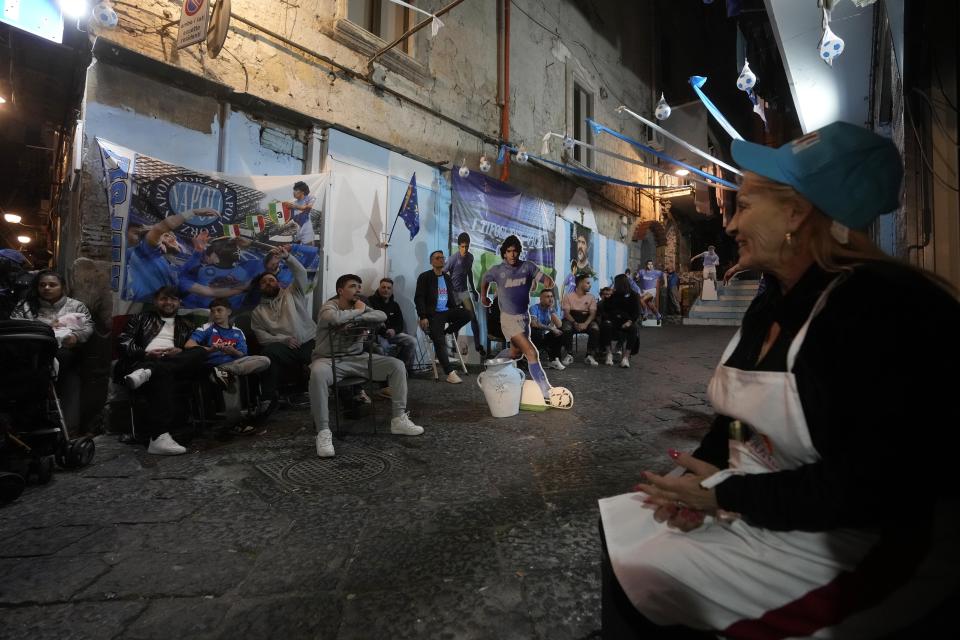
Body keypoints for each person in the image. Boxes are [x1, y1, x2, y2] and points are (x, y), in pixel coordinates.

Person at [598, 121, 960, 638]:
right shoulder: (774, 297)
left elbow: (872, 485)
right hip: (778, 502)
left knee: (650, 575)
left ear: (796, 213)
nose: (729, 227)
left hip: (875, 544)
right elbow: (735, 421)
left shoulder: (880, 308)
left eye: (742, 207)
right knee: (625, 528)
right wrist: (701, 471)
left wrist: (726, 495)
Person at [310, 273, 424, 458]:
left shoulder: (360, 305)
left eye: (359, 287)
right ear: (341, 290)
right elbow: (334, 318)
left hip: (357, 358)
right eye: (353, 286)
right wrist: (359, 312)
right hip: (329, 360)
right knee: (316, 373)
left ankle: (398, 419)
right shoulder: (329, 306)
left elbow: (381, 315)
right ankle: (323, 432)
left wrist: (357, 317)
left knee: (396, 366)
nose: (358, 290)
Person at [116, 287, 209, 455]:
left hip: (171, 366)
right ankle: (159, 438)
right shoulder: (140, 318)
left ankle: (150, 371)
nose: (168, 302)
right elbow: (123, 342)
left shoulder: (187, 324)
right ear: (155, 301)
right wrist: (146, 353)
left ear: (179, 302)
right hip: (142, 361)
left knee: (200, 351)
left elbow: (192, 349)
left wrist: (180, 351)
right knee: (163, 373)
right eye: (163, 299)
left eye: (173, 299)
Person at [11, 270, 94, 431]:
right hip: (31, 352)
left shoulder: (76, 306)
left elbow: (88, 327)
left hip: (65, 352)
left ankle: (67, 427)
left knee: (64, 362)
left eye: (52, 285)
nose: (47, 288)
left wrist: (75, 337)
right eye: (42, 285)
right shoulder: (25, 306)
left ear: (62, 287)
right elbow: (16, 325)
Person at [479, 235, 556, 401]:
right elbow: (485, 279)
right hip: (508, 319)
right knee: (531, 352)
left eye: (515, 251)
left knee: (515, 353)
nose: (512, 255)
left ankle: (490, 369)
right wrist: (483, 297)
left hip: (523, 318)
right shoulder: (498, 270)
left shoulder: (527, 267)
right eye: (509, 251)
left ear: (519, 252)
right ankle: (546, 391)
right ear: (504, 253)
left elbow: (543, 278)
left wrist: (548, 281)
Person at [184, 298, 271, 435]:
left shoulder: (238, 331)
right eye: (213, 311)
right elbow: (188, 345)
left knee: (265, 360)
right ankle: (235, 423)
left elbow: (243, 355)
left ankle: (229, 370)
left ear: (229, 312)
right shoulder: (206, 328)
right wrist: (211, 349)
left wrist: (233, 351)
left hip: (235, 364)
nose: (216, 314)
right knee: (228, 377)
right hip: (213, 367)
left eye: (219, 310)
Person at [250, 246, 316, 411]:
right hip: (286, 347)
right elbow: (262, 337)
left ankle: (347, 394)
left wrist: (288, 257)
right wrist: (283, 340)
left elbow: (301, 273)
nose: (268, 283)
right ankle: (268, 399)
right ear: (260, 288)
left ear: (278, 282)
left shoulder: (293, 292)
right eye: (264, 282)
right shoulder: (258, 312)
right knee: (267, 354)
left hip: (309, 342)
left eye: (271, 280)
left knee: (326, 355)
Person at [414, 250, 471, 384]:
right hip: (434, 314)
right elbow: (419, 298)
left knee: (467, 314)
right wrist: (423, 316)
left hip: (447, 311)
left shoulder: (446, 277)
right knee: (438, 341)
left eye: (442, 257)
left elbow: (451, 295)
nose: (440, 260)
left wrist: (459, 304)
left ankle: (447, 331)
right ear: (431, 262)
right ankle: (449, 372)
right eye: (437, 258)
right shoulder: (425, 277)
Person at [445, 232, 485, 357]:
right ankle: (452, 348)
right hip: (454, 293)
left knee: (473, 317)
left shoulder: (470, 257)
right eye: (462, 247)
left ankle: (478, 346)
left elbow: (469, 273)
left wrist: (473, 289)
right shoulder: (452, 259)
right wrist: (447, 291)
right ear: (458, 246)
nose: (465, 249)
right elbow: (443, 273)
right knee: (456, 320)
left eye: (467, 246)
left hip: (464, 292)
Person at [368, 277, 419, 374]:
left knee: (412, 341)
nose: (386, 290)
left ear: (392, 290)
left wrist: (394, 331)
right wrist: (384, 332)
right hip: (377, 334)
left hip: (392, 334)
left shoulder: (395, 305)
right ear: (379, 288)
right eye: (383, 287)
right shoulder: (370, 301)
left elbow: (400, 324)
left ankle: (400, 367)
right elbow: (371, 322)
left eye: (388, 288)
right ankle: (386, 374)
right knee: (384, 347)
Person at [598, 274, 640, 368]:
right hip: (614, 321)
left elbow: (636, 313)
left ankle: (625, 357)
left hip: (627, 321)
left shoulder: (634, 295)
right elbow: (606, 308)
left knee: (633, 329)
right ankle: (609, 354)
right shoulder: (614, 295)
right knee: (606, 325)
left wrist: (629, 321)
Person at [561, 273, 601, 366]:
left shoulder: (591, 297)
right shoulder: (568, 296)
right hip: (571, 319)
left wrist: (586, 324)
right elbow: (566, 313)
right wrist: (575, 323)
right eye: (587, 283)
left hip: (586, 320)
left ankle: (589, 355)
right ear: (580, 283)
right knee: (566, 327)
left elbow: (593, 314)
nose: (590, 285)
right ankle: (569, 354)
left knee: (595, 328)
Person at [528, 288, 565, 370]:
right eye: (547, 297)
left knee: (560, 333)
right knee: (536, 331)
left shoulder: (551, 309)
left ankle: (554, 360)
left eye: (551, 296)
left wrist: (551, 310)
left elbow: (559, 325)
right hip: (532, 338)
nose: (551, 299)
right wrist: (551, 328)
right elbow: (534, 323)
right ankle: (532, 360)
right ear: (541, 299)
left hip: (543, 337)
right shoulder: (534, 308)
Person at [285, 181, 316, 245]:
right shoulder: (293, 203)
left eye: (296, 190)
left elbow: (308, 208)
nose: (294, 192)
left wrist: (294, 206)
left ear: (303, 191)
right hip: (298, 234)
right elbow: (287, 219)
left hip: (307, 233)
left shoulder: (310, 198)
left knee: (308, 252)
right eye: (294, 190)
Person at [636, 260, 665, 324]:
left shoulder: (656, 272)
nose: (650, 266)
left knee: (641, 300)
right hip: (644, 291)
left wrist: (665, 284)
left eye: (651, 264)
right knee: (650, 304)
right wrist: (636, 278)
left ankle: (645, 313)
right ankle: (658, 315)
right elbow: (637, 277)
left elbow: (664, 274)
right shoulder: (642, 271)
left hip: (652, 290)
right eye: (649, 264)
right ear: (646, 265)